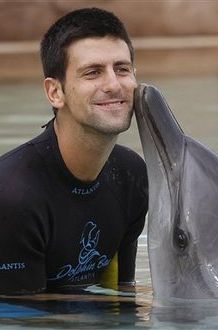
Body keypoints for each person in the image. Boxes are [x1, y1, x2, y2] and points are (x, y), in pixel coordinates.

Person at [0, 7, 148, 294]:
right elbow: (19, 315)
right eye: (92, 73)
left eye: (122, 69)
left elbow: (121, 293)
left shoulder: (131, 175)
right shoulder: (12, 195)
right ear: (55, 92)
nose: (113, 85)